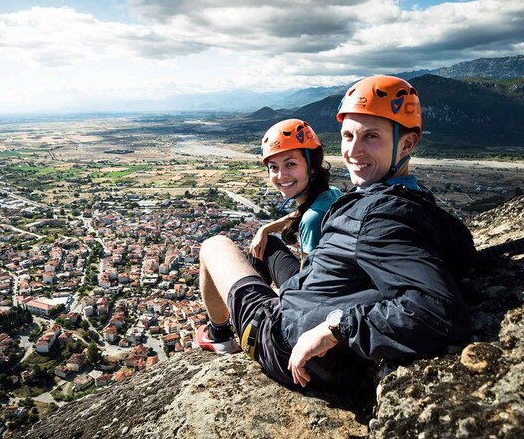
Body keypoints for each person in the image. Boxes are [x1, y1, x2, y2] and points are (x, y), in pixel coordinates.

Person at [196, 75, 477, 388]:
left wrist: (336, 328)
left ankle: (219, 335)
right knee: (266, 248)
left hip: (282, 336)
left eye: (371, 136)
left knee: (214, 245)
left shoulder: (375, 219)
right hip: (309, 304)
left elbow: (439, 312)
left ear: (407, 143)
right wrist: (269, 228)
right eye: (347, 136)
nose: (353, 151)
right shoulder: (408, 198)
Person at [247, 119, 341, 289]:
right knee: (263, 241)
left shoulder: (312, 220)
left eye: (290, 164)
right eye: (274, 167)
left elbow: (307, 286)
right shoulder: (331, 193)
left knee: (260, 251)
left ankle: (259, 303)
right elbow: (301, 213)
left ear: (312, 166)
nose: (281, 176)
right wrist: (264, 229)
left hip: (314, 296)